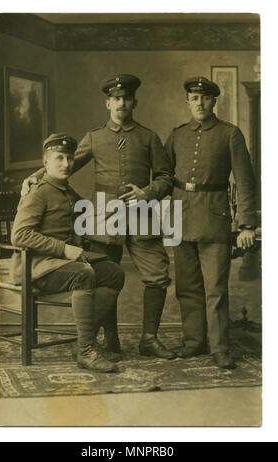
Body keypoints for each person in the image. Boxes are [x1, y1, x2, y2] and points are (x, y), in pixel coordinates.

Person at [21, 74, 176, 360]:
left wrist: (147, 192)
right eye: (116, 99)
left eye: (126, 98)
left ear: (134, 102)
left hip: (142, 212)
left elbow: (166, 177)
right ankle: (109, 338)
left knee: (157, 276)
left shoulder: (148, 137)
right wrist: (34, 177)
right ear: (107, 103)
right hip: (104, 215)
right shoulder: (94, 137)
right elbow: (63, 163)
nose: (121, 103)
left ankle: (149, 339)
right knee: (104, 277)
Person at [10, 133, 125, 373]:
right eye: (59, 158)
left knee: (114, 273)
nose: (66, 163)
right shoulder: (38, 193)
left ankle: (84, 341)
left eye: (70, 158)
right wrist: (64, 249)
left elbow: (87, 213)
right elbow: (19, 235)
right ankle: (86, 352)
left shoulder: (66, 191)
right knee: (84, 273)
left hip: (59, 264)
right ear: (46, 163)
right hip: (36, 267)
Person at [164, 76, 256, 369]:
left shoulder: (230, 133)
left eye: (204, 98)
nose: (199, 103)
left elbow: (244, 181)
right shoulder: (177, 135)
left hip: (214, 217)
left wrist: (246, 224)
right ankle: (194, 342)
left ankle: (219, 347)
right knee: (187, 286)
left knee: (215, 287)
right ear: (187, 102)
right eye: (193, 98)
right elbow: (163, 176)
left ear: (214, 101)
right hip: (180, 215)